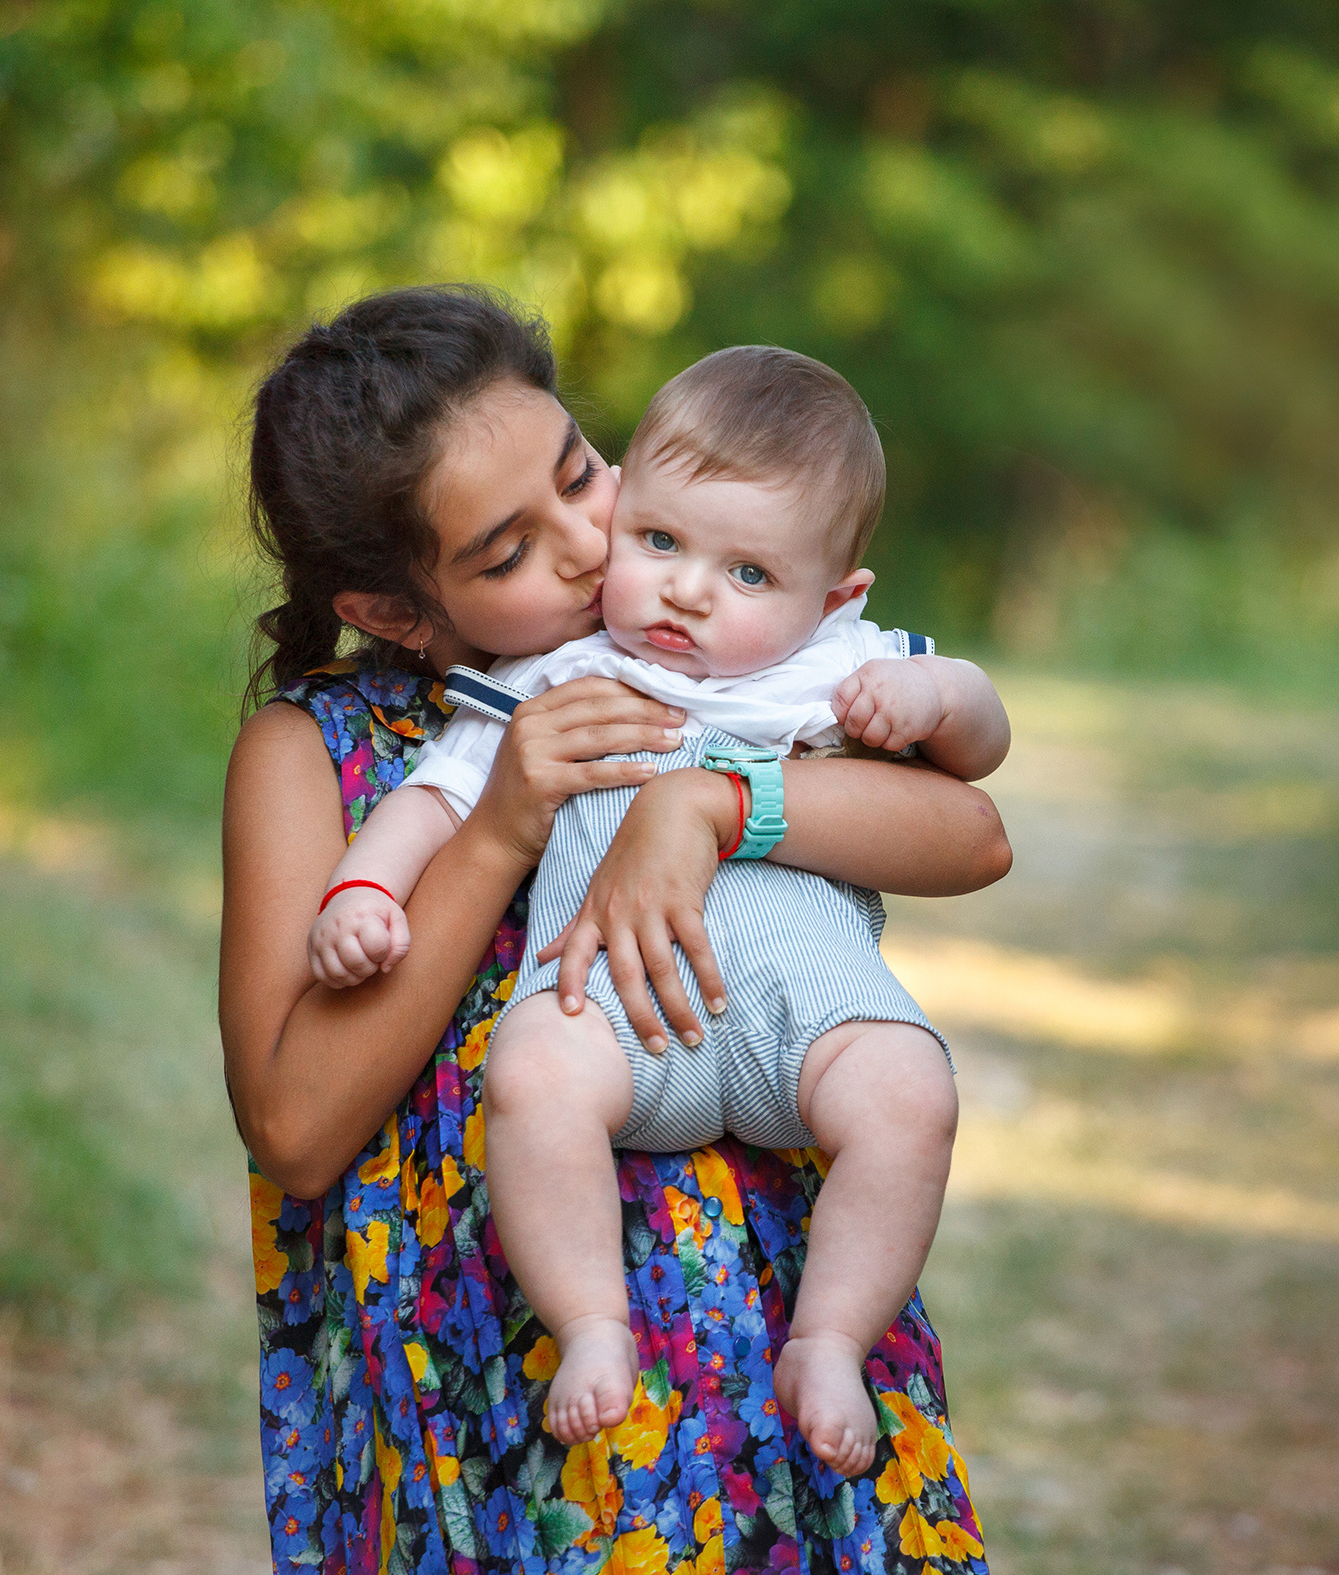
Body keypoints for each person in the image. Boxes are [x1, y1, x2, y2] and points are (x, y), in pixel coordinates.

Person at [221, 284, 1010, 1573]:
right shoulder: (317, 757)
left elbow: (971, 836)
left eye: (581, 477)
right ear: (394, 612)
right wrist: (498, 830)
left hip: (760, 1298)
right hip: (484, 1358)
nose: (590, 550)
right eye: (506, 554)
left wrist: (709, 804)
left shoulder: (725, 651)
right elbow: (297, 1132)